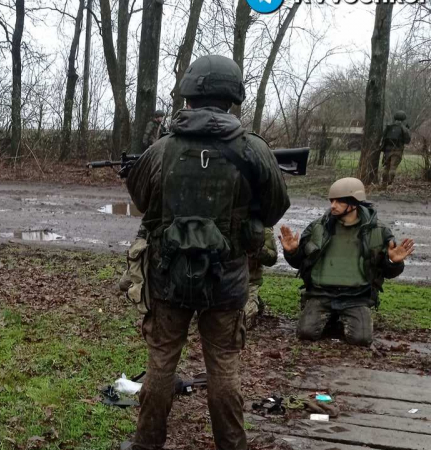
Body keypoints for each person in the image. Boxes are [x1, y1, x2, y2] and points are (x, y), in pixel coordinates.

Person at [122, 55, 290, 450]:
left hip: (168, 276)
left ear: (189, 96)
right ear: (232, 98)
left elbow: (142, 200)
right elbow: (275, 208)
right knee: (224, 366)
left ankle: (147, 444)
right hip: (227, 279)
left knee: (161, 362)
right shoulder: (253, 150)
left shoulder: (162, 149)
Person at [280, 177, 414, 346]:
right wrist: (292, 252)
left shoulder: (378, 231)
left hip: (356, 296)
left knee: (361, 339)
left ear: (354, 203)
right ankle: (328, 316)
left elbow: (386, 272)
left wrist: (394, 262)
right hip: (321, 293)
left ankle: (344, 317)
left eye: (339, 201)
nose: (333, 205)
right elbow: (301, 263)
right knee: (305, 333)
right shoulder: (318, 227)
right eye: (331, 201)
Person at [244, 227, 278, 330]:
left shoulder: (259, 226)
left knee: (243, 323)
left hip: (248, 282)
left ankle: (254, 301)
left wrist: (256, 247)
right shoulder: (220, 220)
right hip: (221, 281)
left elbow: (272, 258)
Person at [380, 110, 411, 187]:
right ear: (404, 118)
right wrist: (407, 130)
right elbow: (407, 141)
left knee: (386, 167)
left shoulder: (389, 127)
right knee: (393, 167)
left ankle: (383, 184)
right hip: (397, 150)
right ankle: (390, 184)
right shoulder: (403, 128)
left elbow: (383, 137)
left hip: (387, 150)